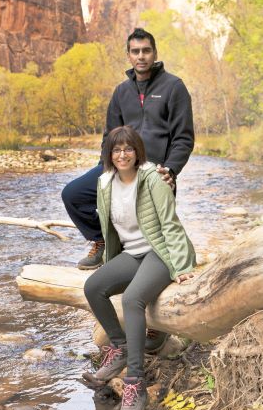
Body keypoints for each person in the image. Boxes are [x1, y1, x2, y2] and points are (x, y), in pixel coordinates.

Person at [82, 126, 196, 410]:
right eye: (116, 150)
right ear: (109, 154)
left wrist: (182, 266)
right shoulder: (104, 182)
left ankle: (135, 383)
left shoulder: (152, 179)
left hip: (160, 251)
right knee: (94, 286)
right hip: (132, 253)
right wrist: (107, 262)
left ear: (137, 152)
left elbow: (170, 224)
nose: (122, 154)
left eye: (128, 149)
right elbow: (110, 231)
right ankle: (119, 347)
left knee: (133, 298)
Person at [61, 27, 194, 271]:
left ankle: (170, 264)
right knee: (73, 194)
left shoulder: (174, 87)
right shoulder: (122, 92)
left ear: (154, 53)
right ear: (128, 55)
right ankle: (102, 241)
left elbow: (183, 138)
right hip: (120, 165)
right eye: (135, 51)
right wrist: (106, 167)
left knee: (153, 235)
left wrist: (171, 170)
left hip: (155, 170)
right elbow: (109, 136)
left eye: (146, 51)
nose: (141, 56)